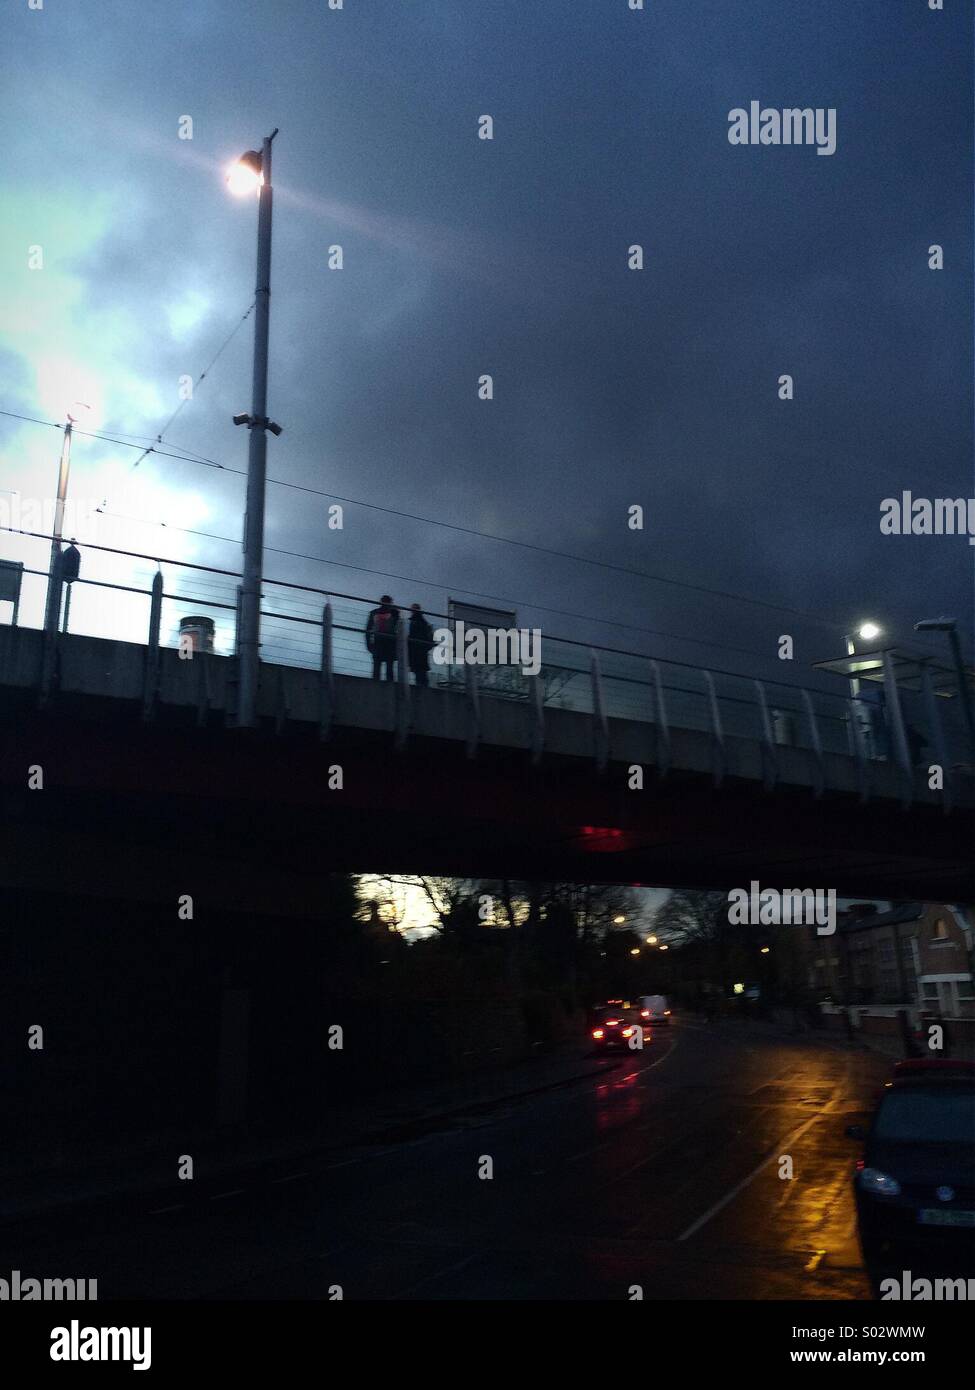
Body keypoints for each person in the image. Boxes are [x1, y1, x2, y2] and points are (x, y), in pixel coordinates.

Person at [366, 595, 399, 680]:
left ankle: (376, 686)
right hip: (388, 643)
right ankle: (388, 687)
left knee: (378, 668)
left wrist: (369, 644)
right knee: (389, 669)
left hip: (379, 641)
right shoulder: (394, 614)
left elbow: (368, 630)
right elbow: (398, 629)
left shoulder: (374, 613)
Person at [407, 603, 434, 687]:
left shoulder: (412, 622)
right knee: (422, 673)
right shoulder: (424, 622)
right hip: (421, 650)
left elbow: (410, 635)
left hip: (416, 650)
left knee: (419, 672)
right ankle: (423, 688)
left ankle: (421, 688)